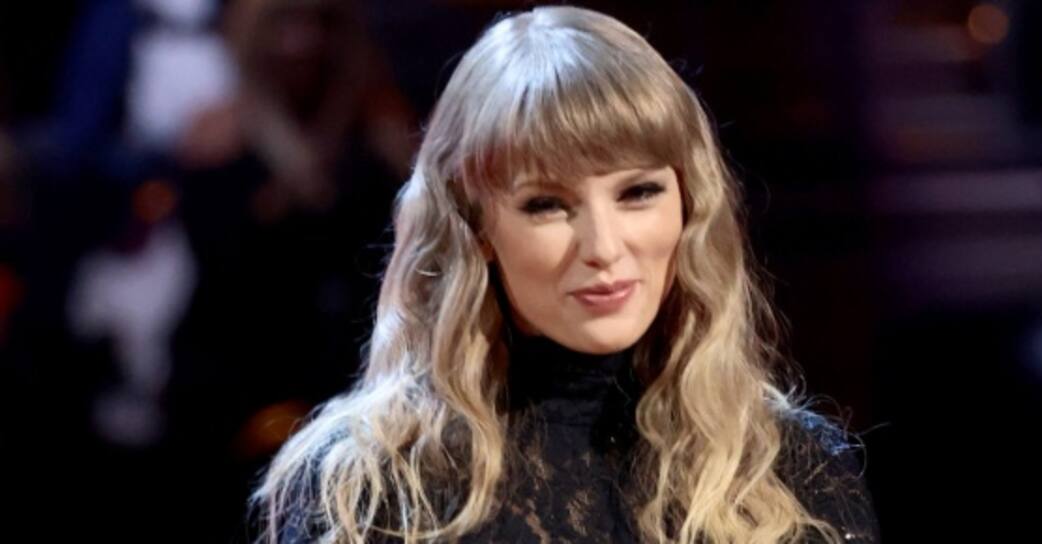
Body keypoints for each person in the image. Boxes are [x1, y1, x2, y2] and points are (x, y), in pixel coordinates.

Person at [253, 5, 879, 543]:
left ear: (690, 204)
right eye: (547, 205)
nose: (604, 247)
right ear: (475, 227)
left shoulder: (791, 471)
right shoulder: (365, 485)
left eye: (638, 193)